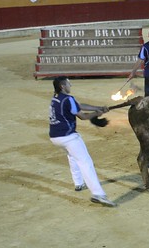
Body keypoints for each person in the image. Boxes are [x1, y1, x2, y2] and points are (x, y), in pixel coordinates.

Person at [49, 77, 116, 207]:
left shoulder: (56, 97)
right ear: (63, 86)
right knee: (86, 162)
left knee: (72, 155)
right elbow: (83, 116)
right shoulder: (68, 99)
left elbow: (78, 106)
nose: (70, 85)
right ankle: (98, 194)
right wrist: (96, 113)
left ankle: (79, 182)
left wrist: (98, 108)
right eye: (68, 83)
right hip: (67, 137)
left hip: (55, 137)